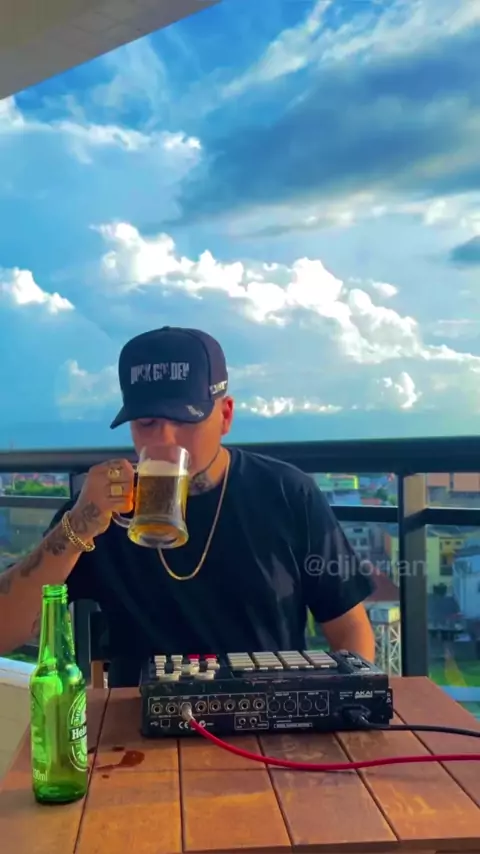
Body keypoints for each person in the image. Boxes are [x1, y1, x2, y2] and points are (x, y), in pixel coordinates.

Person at [0, 326, 375, 686]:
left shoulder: (287, 493)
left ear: (225, 415)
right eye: (147, 422)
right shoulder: (102, 509)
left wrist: (347, 708)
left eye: (185, 419)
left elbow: (349, 627)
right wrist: (78, 526)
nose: (164, 439)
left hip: (268, 714)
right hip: (142, 719)